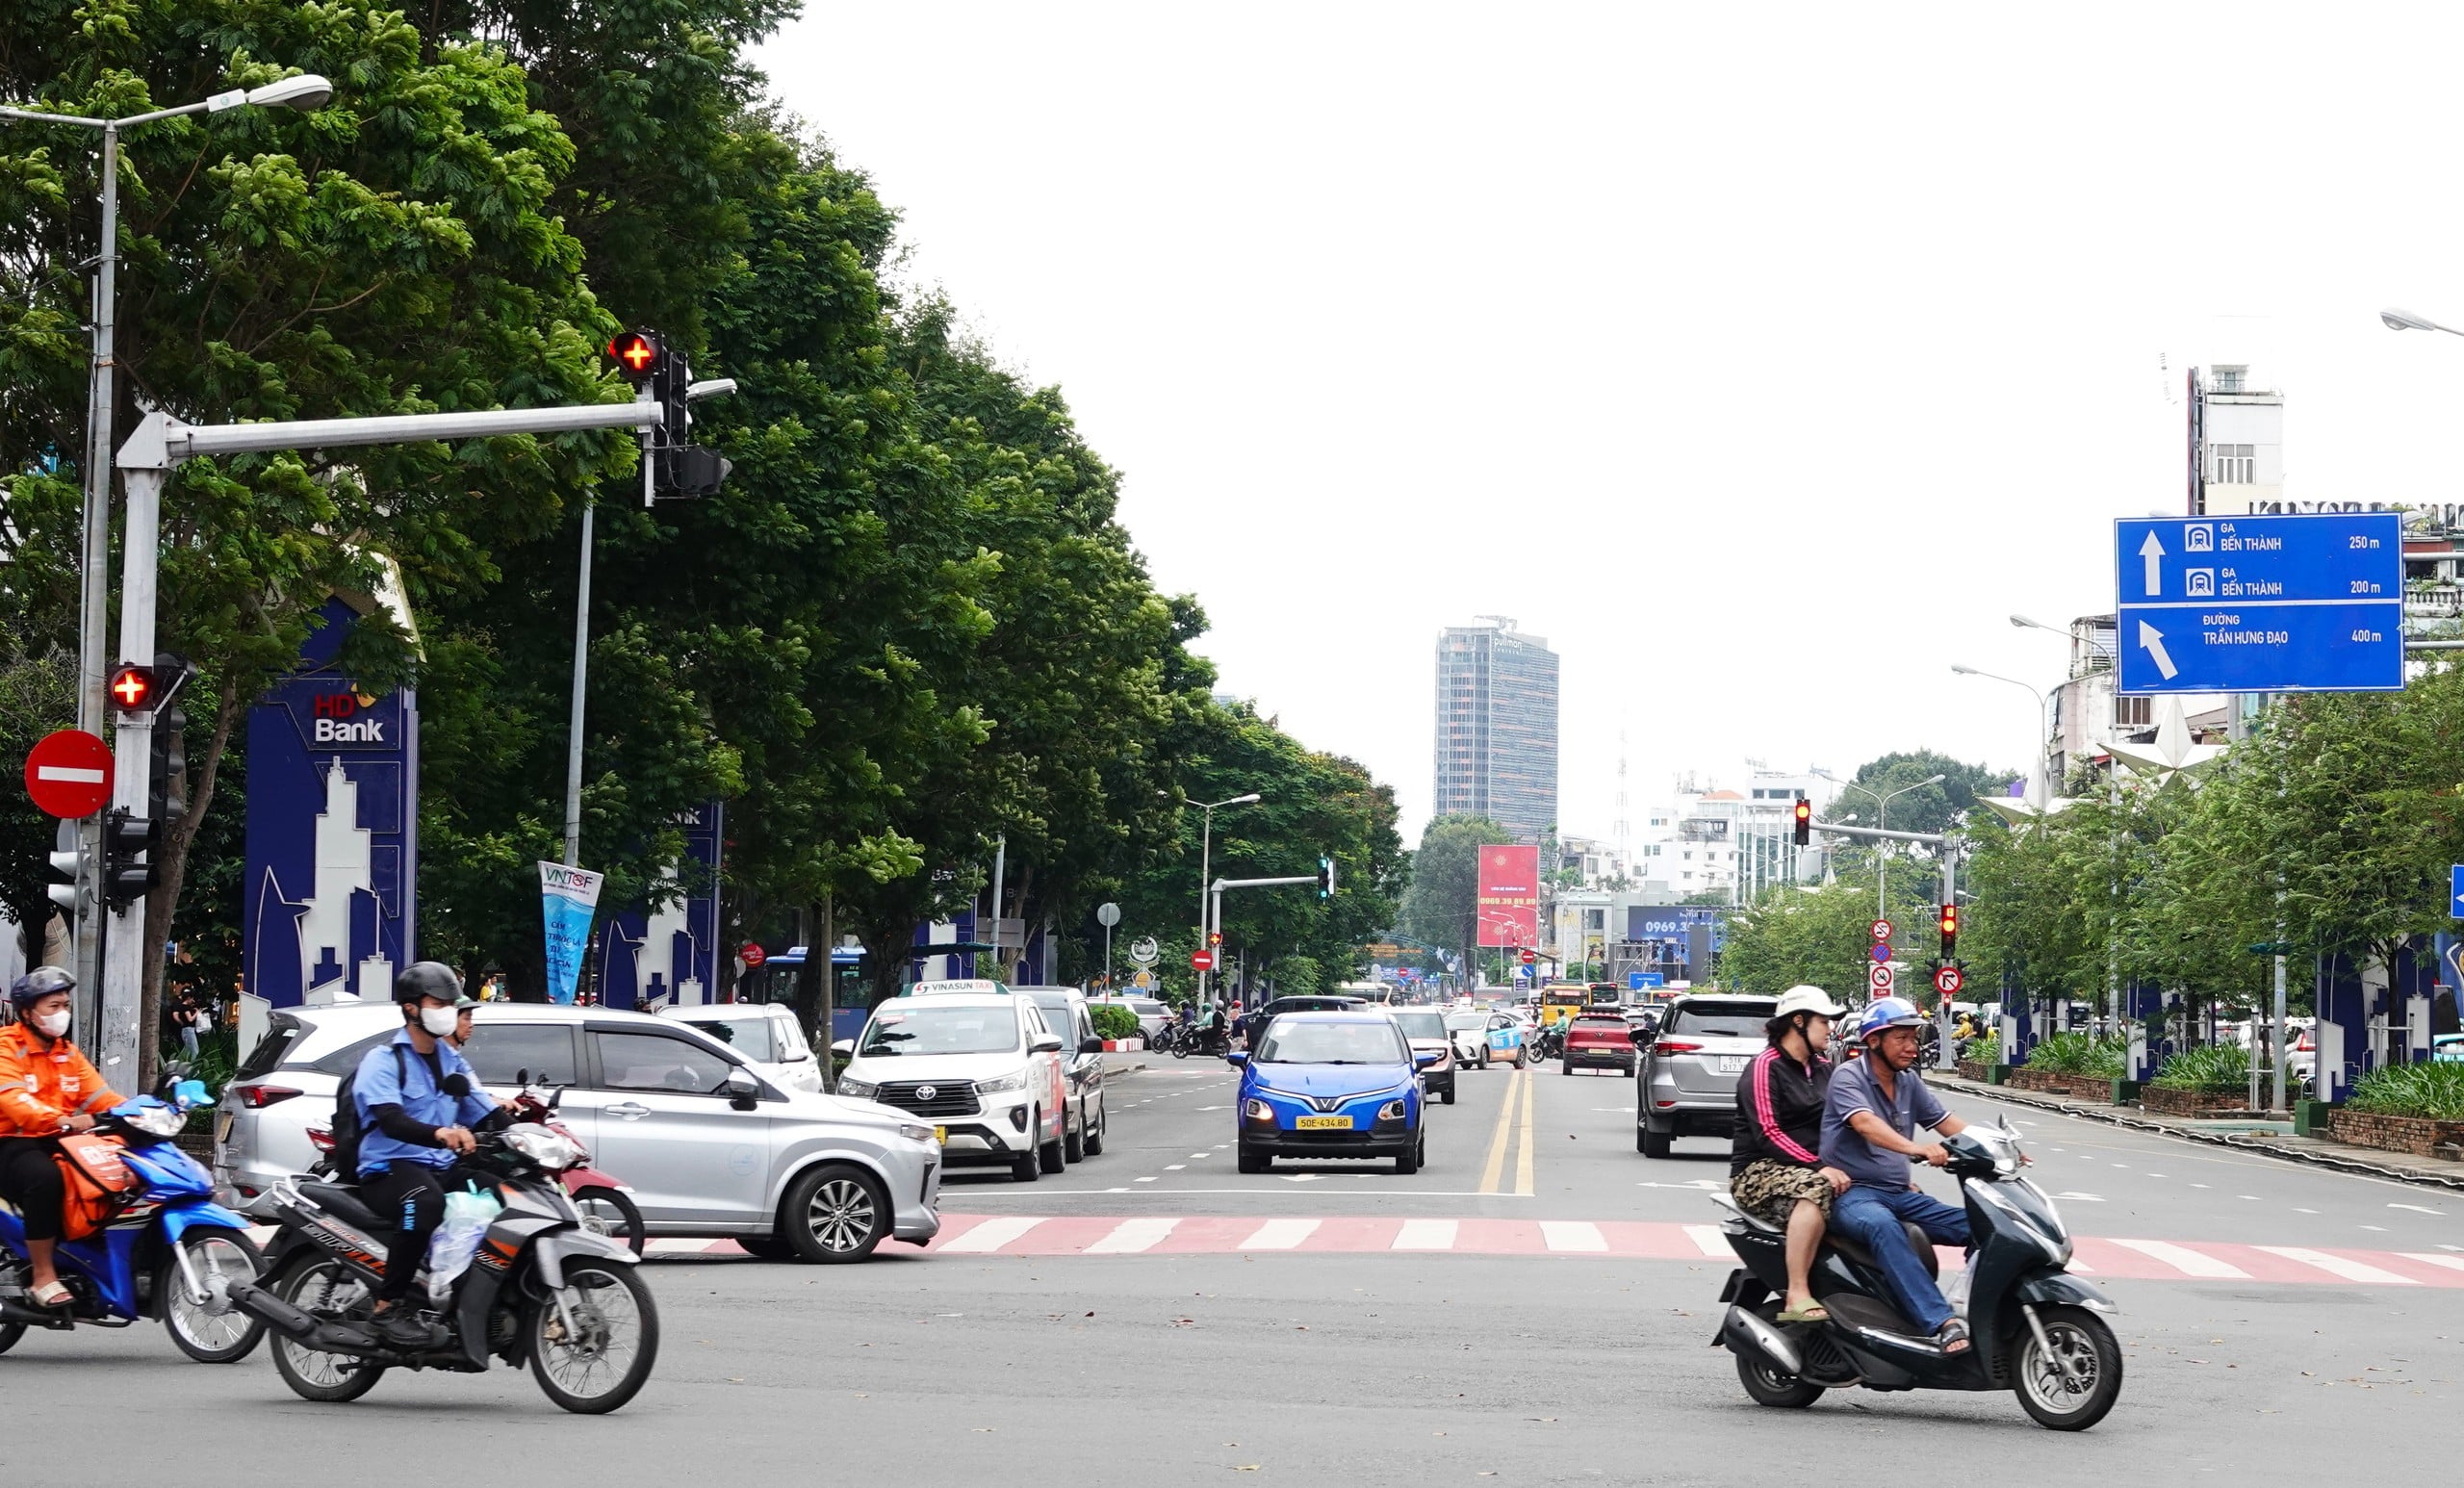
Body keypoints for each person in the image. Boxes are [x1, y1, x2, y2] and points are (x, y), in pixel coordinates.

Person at [351, 962, 504, 1347]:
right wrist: (440, 1133)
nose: (448, 1012)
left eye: (451, 1004)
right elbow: (391, 1120)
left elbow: (485, 1112)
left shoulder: (451, 1061)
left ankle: (481, 1297)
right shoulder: (384, 1060)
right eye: (439, 1003)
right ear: (411, 1008)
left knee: (507, 1194)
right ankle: (387, 1307)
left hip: (441, 1165)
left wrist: (533, 1137)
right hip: (390, 1167)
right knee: (425, 1204)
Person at [1819, 995, 1973, 1353]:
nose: (1911, 1046)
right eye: (1901, 1038)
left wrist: (1997, 1146)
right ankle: (1942, 1323)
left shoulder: (1909, 1082)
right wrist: (1916, 1149)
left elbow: (1948, 1123)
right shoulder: (1848, 1077)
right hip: (1853, 1194)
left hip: (1900, 1193)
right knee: (1882, 1226)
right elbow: (1865, 1124)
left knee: (1982, 1225)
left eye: (1913, 1037)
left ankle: (1977, 1310)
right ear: (1874, 1041)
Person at [0, 967, 125, 1307]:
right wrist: (63, 1120)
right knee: (45, 1179)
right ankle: (43, 1276)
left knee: (113, 1172)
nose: (62, 1013)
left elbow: (103, 1097)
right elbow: (14, 1100)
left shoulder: (67, 1053)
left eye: (65, 1005)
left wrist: (139, 1113)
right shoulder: (7, 1046)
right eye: (53, 1006)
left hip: (59, 1138)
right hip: (12, 1140)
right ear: (28, 1013)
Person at [1729, 986, 1851, 1324]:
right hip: (1758, 1171)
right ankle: (1797, 1292)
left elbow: (1847, 1122)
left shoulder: (1825, 1068)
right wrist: (1819, 1166)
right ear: (1798, 1022)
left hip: (1810, 1168)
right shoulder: (1764, 1068)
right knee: (1816, 1189)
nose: (1830, 1029)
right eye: (1823, 1021)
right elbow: (1768, 1133)